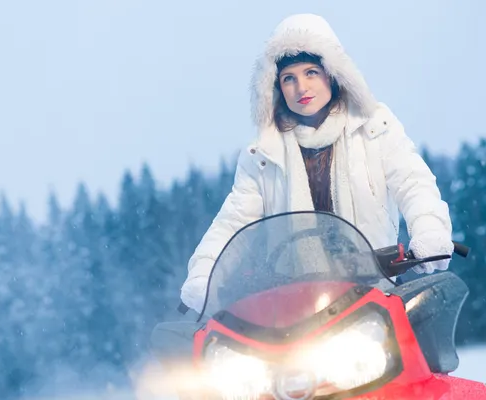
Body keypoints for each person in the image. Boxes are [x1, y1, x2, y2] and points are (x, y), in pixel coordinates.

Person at [179, 13, 454, 316]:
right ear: (276, 88)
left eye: (311, 72)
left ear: (333, 74)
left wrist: (429, 231)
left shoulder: (374, 127)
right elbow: (232, 222)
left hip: (376, 292)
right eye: (289, 78)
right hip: (295, 309)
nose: (301, 87)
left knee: (421, 353)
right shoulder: (263, 154)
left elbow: (413, 182)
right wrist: (205, 271)